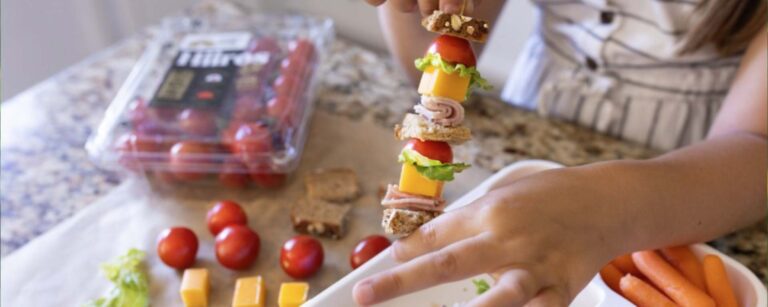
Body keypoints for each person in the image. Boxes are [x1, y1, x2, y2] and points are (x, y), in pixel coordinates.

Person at [354, 0, 767, 306]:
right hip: (532, 130)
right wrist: (407, 8)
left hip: (689, 187)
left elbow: (758, 153)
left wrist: (605, 207)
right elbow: (437, 52)